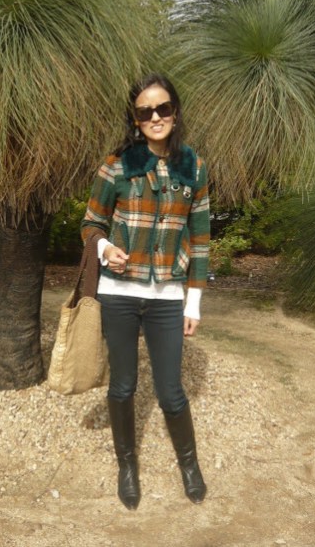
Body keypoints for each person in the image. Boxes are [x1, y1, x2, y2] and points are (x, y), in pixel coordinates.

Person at [81, 73, 210, 510]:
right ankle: (127, 466)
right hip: (118, 293)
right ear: (135, 120)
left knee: (171, 390)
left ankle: (189, 466)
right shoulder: (117, 164)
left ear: (175, 111)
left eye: (163, 108)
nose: (155, 117)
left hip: (167, 298)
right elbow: (91, 222)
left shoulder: (194, 167)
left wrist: (193, 302)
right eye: (145, 112)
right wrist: (104, 248)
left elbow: (200, 239)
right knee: (123, 385)